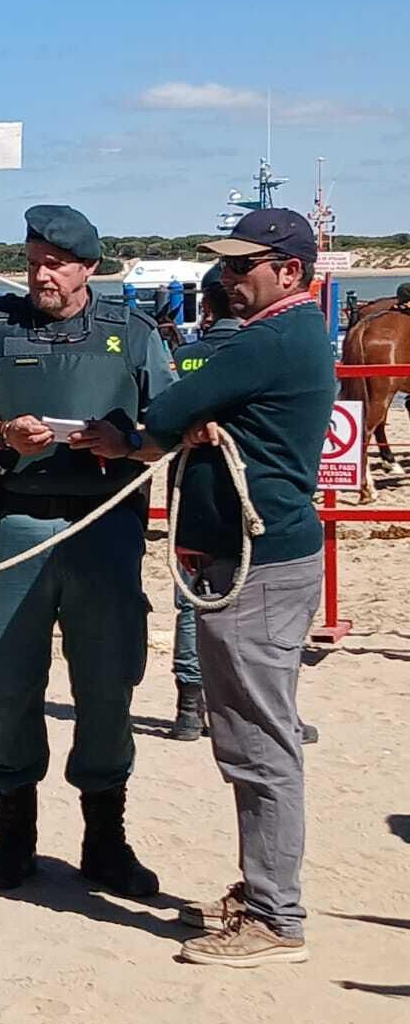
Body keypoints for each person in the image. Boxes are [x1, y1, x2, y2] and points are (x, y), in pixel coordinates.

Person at [0, 205, 174, 897]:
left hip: (105, 527)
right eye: (34, 258)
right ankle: (13, 844)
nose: (42, 272)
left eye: (56, 261)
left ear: (89, 269)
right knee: (10, 683)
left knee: (106, 684)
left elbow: (172, 425)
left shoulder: (132, 334)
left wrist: (125, 442)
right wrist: (1, 433)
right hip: (15, 524)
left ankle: (106, 844)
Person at [142, 208, 335, 967]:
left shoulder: (271, 340)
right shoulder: (292, 337)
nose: (227, 278)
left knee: (259, 743)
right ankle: (265, 893)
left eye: (241, 266)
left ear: (288, 271)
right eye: (225, 266)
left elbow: (164, 411)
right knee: (257, 736)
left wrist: (186, 420)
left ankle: (274, 916)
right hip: (262, 560)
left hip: (258, 567)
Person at [164, 265, 240, 741]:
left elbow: (163, 414)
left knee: (191, 604)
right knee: (257, 611)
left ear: (206, 306)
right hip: (244, 498)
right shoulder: (262, 351)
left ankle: (189, 710)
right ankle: (249, 709)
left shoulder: (187, 356)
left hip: (189, 497)